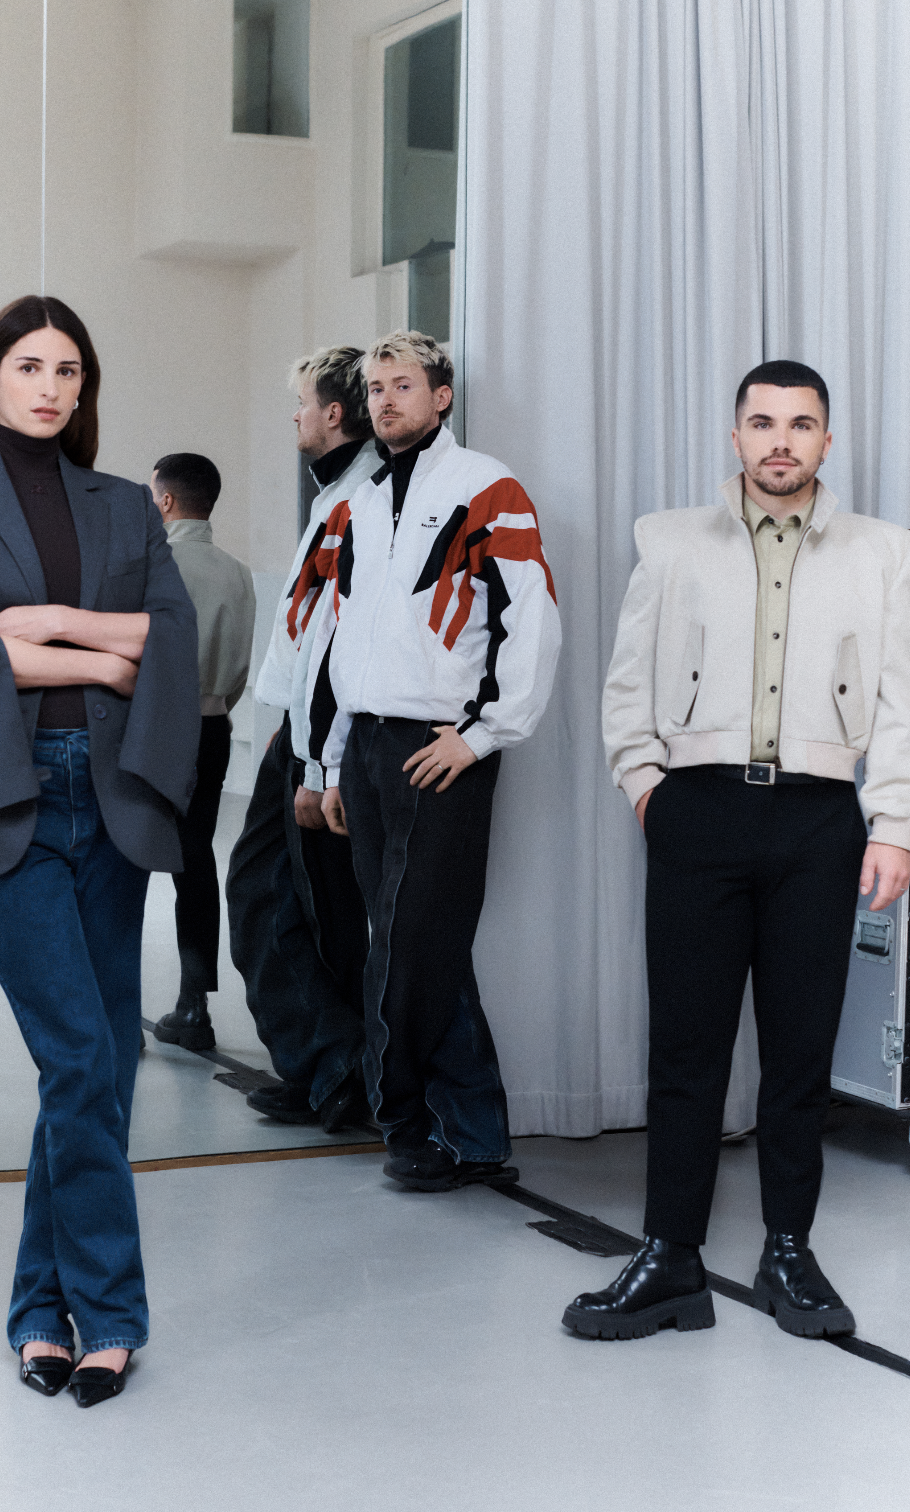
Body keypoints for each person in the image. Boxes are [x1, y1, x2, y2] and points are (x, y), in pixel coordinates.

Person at [0, 295, 200, 1406]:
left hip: (111, 799)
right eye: (29, 366)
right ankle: (108, 1312)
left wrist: (48, 627)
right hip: (4, 798)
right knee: (79, 1056)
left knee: (99, 1062)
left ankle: (38, 1308)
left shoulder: (123, 505)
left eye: (68, 369)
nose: (50, 387)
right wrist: (106, 655)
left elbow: (174, 638)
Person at [567, 360, 910, 1342]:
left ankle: (786, 1252)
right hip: (698, 813)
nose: (780, 441)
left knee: (798, 1054)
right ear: (734, 436)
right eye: (762, 423)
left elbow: (896, 704)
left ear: (825, 441)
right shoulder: (669, 540)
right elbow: (626, 683)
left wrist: (892, 824)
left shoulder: (879, 552)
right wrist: (647, 789)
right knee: (685, 1051)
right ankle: (669, 1258)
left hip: (818, 823)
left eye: (800, 425)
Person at [317, 331, 562, 1190]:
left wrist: (483, 735)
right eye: (375, 388)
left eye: (402, 385)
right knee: (422, 942)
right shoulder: (361, 502)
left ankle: (402, 1122)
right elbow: (343, 637)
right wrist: (333, 760)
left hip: (438, 746)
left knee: (410, 943)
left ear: (441, 396)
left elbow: (533, 622)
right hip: (367, 747)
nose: (385, 400)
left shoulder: (487, 488)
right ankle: (476, 1134)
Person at [225, 347, 377, 1132]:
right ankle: (321, 1064)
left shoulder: (363, 501)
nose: (295, 415)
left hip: (326, 737)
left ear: (333, 414)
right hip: (301, 729)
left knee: (308, 904)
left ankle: (339, 1065)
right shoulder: (335, 496)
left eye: (303, 403)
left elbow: (341, 641)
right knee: (274, 895)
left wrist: (324, 757)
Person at [149, 452, 254, 1052]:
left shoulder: (151, 565)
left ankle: (114, 1011)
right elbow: (238, 670)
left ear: (166, 501)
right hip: (212, 728)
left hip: (152, 730)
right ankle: (195, 1006)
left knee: (124, 861)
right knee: (195, 861)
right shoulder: (237, 573)